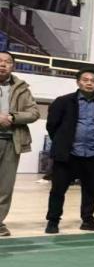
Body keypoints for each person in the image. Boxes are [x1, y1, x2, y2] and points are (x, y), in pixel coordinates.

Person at [45, 69, 94, 234]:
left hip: (92, 154)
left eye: (93, 80)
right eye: (85, 80)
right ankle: (53, 221)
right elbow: (52, 126)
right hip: (68, 155)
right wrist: (63, 143)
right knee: (58, 190)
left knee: (90, 191)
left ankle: (88, 220)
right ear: (78, 82)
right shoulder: (63, 101)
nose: (89, 83)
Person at [0, 50, 41, 237]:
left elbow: (34, 113)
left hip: (11, 142)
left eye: (7, 61)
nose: (2, 64)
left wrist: (12, 117)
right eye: (0, 61)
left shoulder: (22, 88)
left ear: (13, 66)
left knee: (5, 187)